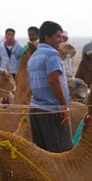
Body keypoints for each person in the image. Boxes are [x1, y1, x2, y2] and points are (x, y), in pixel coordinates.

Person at [28, 20, 73, 152]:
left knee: (43, 154)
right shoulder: (52, 54)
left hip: (36, 110)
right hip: (52, 111)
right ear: (47, 38)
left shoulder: (34, 56)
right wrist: (63, 106)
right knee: (60, 155)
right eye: (58, 36)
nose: (60, 40)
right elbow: (53, 80)